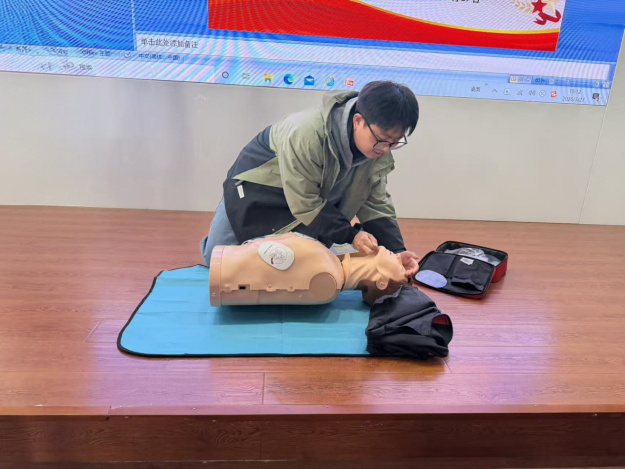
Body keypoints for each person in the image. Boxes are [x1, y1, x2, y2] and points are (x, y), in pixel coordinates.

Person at [200, 80, 420, 277]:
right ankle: (332, 245)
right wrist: (351, 235)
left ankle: (328, 245)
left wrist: (397, 251)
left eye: (395, 142)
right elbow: (305, 203)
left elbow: (376, 205)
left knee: (303, 271)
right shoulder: (306, 133)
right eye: (382, 139)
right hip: (258, 191)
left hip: (312, 207)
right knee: (218, 261)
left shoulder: (377, 150)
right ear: (358, 120)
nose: (386, 149)